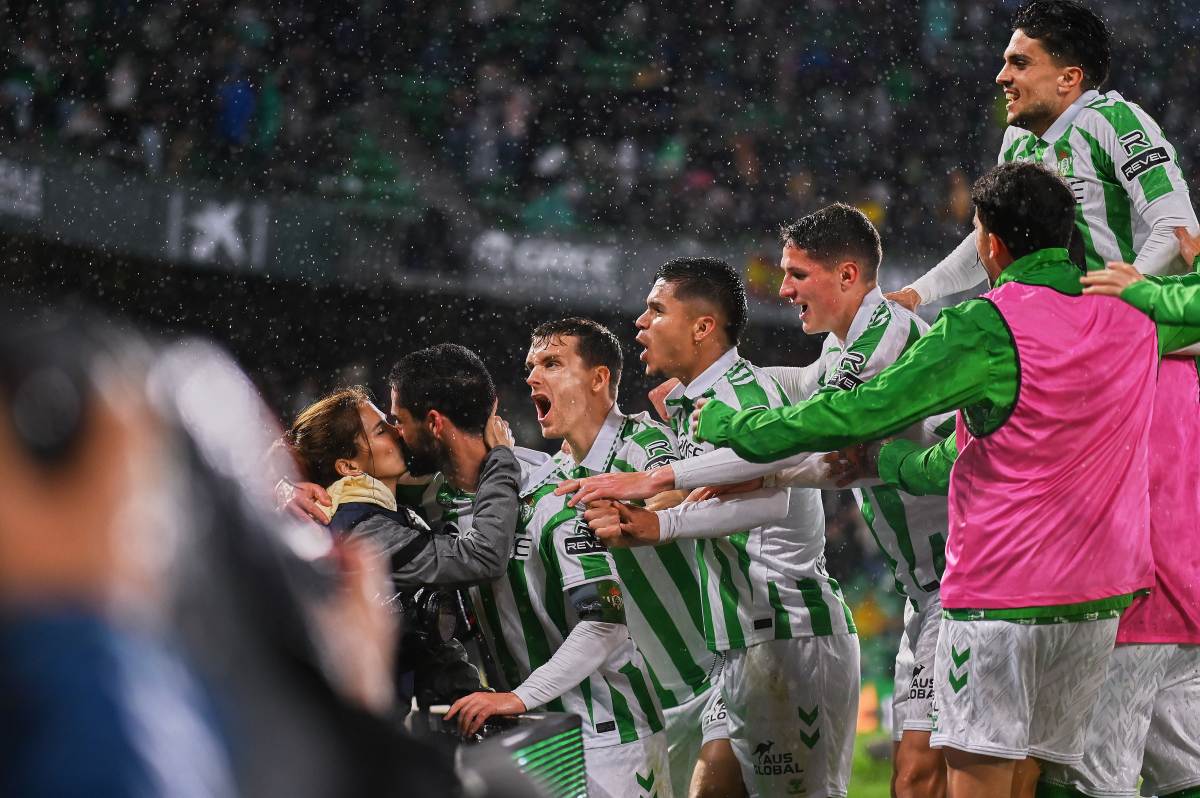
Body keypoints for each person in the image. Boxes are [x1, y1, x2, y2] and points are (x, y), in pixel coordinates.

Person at [692, 161, 1200, 798]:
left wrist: (734, 426)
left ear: (989, 242)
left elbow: (859, 410)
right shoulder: (1130, 318)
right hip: (1096, 604)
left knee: (975, 783)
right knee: (1049, 785)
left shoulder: (984, 326)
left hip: (1001, 597)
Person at [575, 206, 952, 797]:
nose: (784, 289)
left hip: (874, 607)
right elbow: (807, 422)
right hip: (892, 598)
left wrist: (659, 497)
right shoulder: (839, 351)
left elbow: (807, 448)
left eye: (798, 274)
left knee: (927, 778)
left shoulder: (880, 340)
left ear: (848, 275)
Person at [564, 258, 859, 798]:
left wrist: (659, 520)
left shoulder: (743, 400)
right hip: (742, 643)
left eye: (656, 310)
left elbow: (772, 503)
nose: (640, 322)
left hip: (790, 634)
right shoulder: (696, 402)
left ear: (703, 328)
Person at [521, 317, 782, 798]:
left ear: (600, 379)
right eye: (531, 366)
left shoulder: (645, 445)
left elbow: (687, 492)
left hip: (711, 683)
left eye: (552, 363)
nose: (533, 376)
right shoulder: (551, 480)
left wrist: (638, 510)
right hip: (639, 708)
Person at [414, 337, 671, 798]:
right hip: (527, 732)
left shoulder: (554, 497)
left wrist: (516, 697)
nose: (395, 433)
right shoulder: (435, 504)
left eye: (397, 420)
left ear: (432, 424)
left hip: (608, 736)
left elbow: (605, 625)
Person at [888, 0, 1197, 312]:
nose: (1002, 77)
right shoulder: (1017, 142)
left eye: (1020, 64)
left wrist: (1120, 304)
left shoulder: (1113, 122)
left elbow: (1177, 227)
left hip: (1128, 338)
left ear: (1068, 78)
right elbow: (992, 241)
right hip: (1059, 333)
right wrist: (917, 293)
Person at [283, 382, 522, 589]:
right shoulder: (364, 532)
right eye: (380, 431)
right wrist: (501, 458)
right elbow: (482, 559)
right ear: (348, 467)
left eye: (389, 422)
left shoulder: (369, 510)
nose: (396, 431)